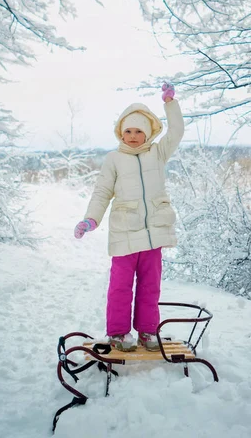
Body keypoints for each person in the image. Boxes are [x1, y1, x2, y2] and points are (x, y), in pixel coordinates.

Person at [74, 83, 184, 352]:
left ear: (147, 133)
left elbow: (177, 132)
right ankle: (118, 334)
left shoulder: (157, 153)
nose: (133, 136)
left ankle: (147, 332)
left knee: (150, 288)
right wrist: (91, 219)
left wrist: (170, 103)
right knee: (120, 288)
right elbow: (102, 192)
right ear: (121, 133)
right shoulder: (114, 159)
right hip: (125, 234)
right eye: (128, 131)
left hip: (153, 233)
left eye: (138, 131)